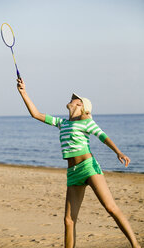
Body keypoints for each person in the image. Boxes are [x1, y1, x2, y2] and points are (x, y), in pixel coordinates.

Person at [17, 78, 141, 248]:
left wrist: (118, 152)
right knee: (68, 220)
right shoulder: (62, 123)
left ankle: (135, 245)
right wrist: (23, 92)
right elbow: (36, 114)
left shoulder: (86, 122)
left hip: (88, 167)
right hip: (73, 173)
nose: (72, 98)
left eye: (76, 98)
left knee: (110, 208)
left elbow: (102, 136)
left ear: (81, 106)